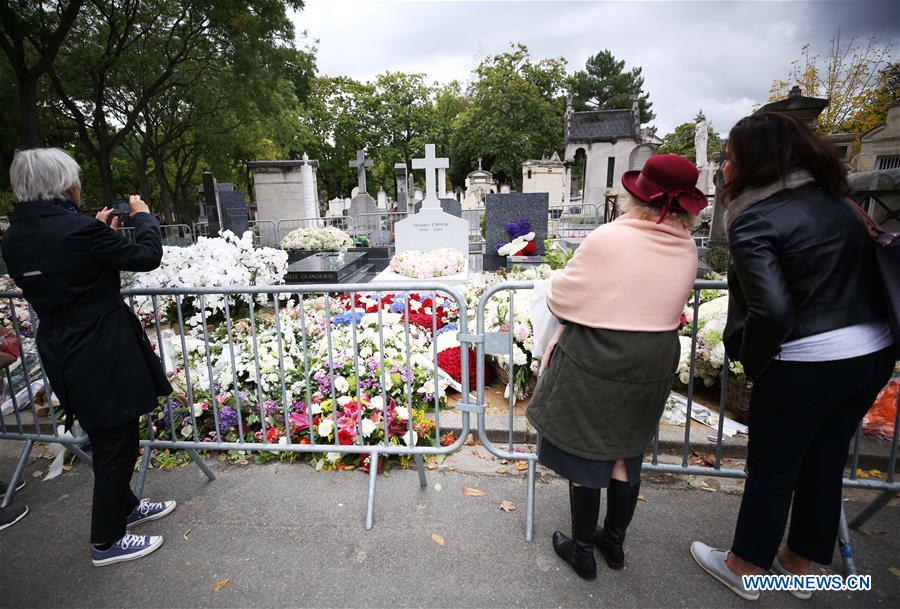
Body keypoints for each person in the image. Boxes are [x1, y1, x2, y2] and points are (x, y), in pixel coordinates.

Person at [690, 112, 895, 601]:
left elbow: (772, 308)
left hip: (808, 358)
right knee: (824, 461)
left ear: (755, 161)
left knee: (774, 467)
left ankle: (744, 565)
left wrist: (757, 362)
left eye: (730, 156)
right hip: (870, 353)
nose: (723, 166)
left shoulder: (756, 217)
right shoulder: (840, 203)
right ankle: (798, 565)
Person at [527, 154, 706, 580]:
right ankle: (614, 543)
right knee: (626, 453)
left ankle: (583, 552)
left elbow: (563, 298)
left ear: (636, 193)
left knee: (589, 454)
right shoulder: (685, 246)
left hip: (599, 355)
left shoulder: (610, 238)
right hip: (654, 358)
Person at [1, 148, 177, 566]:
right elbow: (146, 256)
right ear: (63, 185)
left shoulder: (16, 234)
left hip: (62, 343)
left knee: (105, 432)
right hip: (99, 343)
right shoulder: (76, 229)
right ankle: (106, 540)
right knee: (117, 438)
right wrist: (143, 217)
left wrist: (93, 229)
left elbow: (69, 269)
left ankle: (126, 506)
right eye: (75, 180)